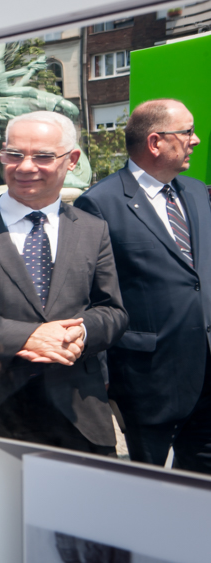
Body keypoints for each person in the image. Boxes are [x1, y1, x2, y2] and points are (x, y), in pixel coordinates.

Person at [0, 111, 128, 454]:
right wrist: (25, 336)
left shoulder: (92, 229)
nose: (26, 166)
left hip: (82, 412)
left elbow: (113, 311)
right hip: (0, 413)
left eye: (43, 156)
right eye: (14, 154)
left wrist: (82, 331)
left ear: (72, 160)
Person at [75, 99, 211, 473]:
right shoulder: (98, 204)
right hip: (148, 380)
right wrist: (102, 378)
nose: (195, 140)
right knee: (152, 486)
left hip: (206, 371)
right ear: (155, 142)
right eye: (187, 132)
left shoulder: (197, 192)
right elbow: (92, 296)